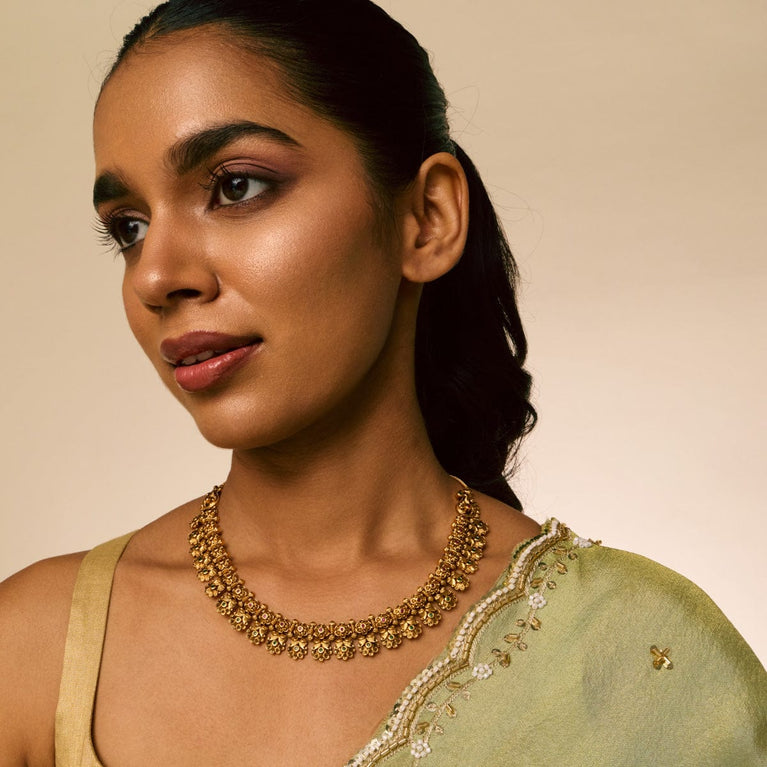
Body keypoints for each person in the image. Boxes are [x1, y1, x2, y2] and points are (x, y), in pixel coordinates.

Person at [0, 1, 764, 765]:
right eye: (129, 227)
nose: (157, 275)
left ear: (426, 217)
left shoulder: (634, 654)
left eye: (234, 187)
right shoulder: (37, 648)